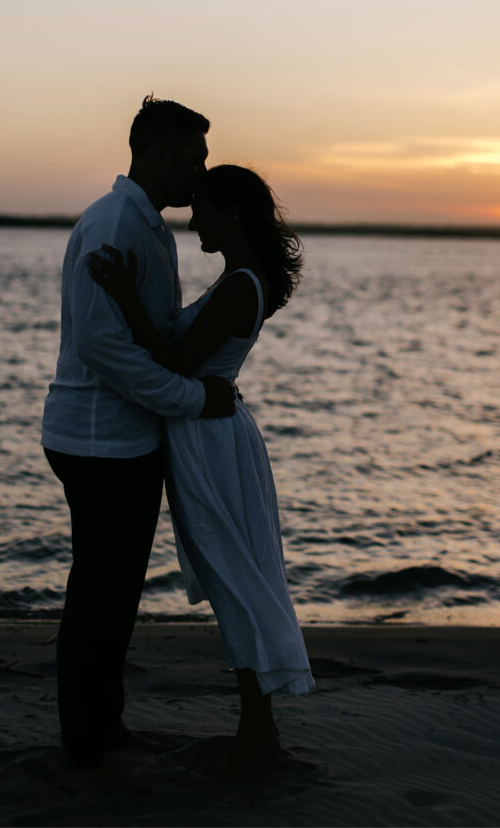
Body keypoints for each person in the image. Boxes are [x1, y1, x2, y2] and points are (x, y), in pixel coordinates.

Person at [87, 163, 315, 780]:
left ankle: (258, 732)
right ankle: (256, 728)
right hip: (205, 435)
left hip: (213, 443)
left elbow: (178, 362)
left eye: (205, 211)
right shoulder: (236, 281)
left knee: (238, 577)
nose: (194, 222)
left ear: (233, 215)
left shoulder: (243, 285)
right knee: (233, 577)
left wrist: (122, 295)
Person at [41, 95, 237, 791]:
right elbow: (101, 346)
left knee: (114, 593)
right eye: (193, 158)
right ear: (157, 156)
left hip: (122, 439)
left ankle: (103, 725)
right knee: (99, 594)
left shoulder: (146, 225)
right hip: (98, 441)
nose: (199, 172)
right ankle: (85, 746)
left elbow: (149, 328)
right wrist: (189, 399)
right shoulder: (116, 222)